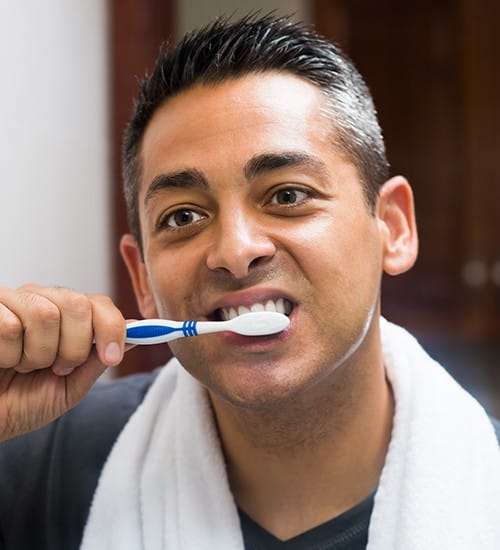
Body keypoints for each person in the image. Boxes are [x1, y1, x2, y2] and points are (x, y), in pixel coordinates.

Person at [0, 14, 498, 550]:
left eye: (287, 195)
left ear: (393, 228)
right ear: (141, 279)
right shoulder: (34, 466)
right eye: (183, 217)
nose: (235, 251)